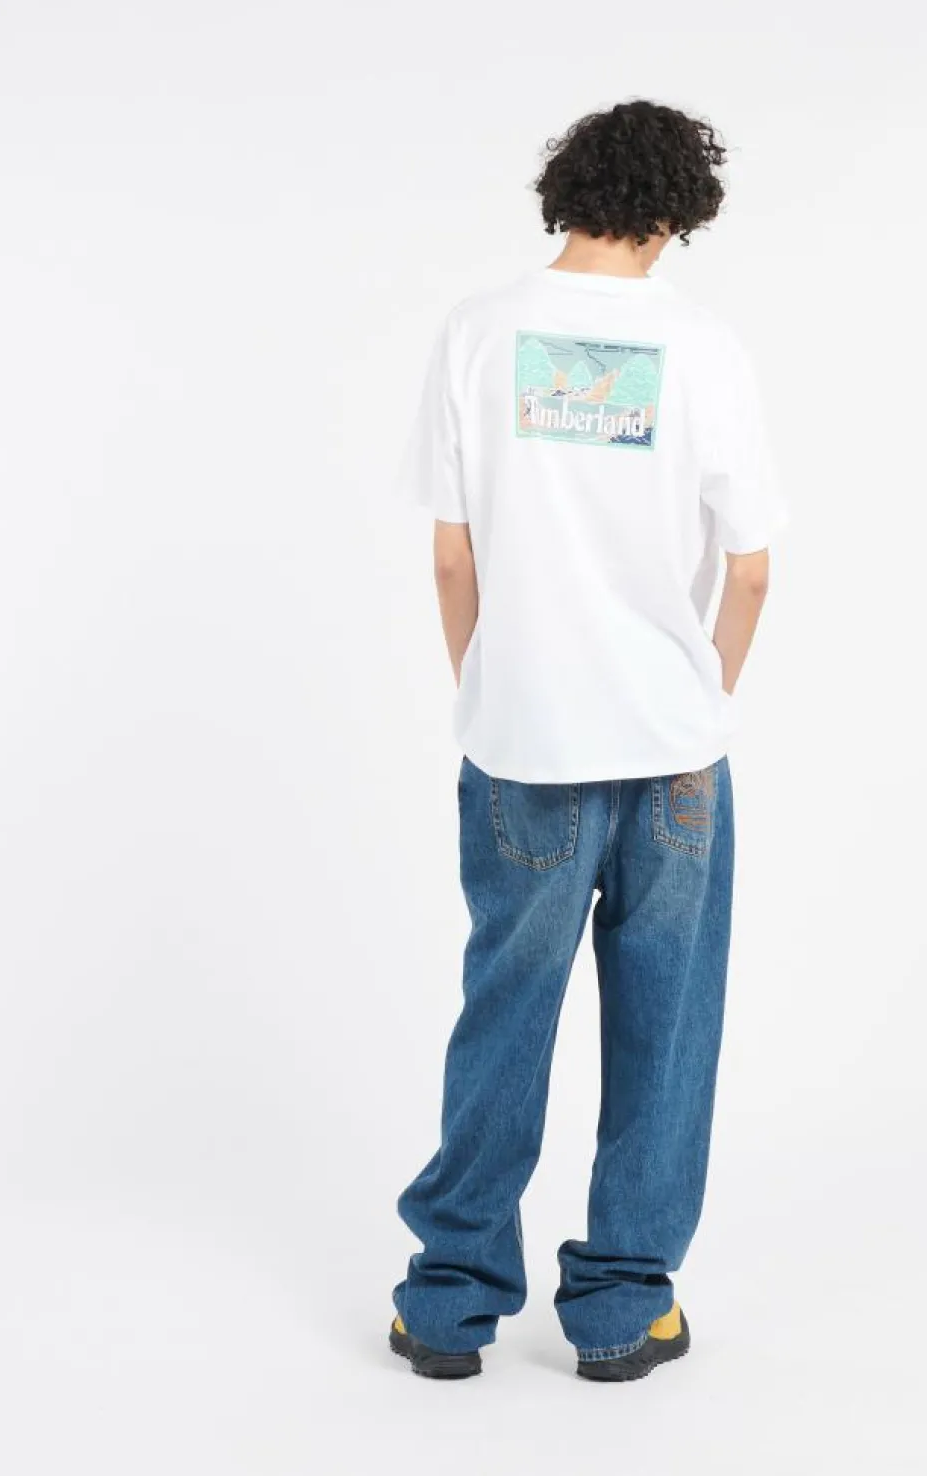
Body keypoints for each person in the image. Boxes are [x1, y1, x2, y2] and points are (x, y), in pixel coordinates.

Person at [389, 99, 786, 1383]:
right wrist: (703, 703)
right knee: (666, 1028)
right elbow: (752, 570)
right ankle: (621, 1310)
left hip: (524, 744)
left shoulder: (476, 332)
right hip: (674, 751)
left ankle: (447, 1304)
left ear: (569, 192)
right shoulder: (706, 347)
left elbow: (451, 558)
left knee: (503, 1012)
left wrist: (487, 688)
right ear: (673, 212)